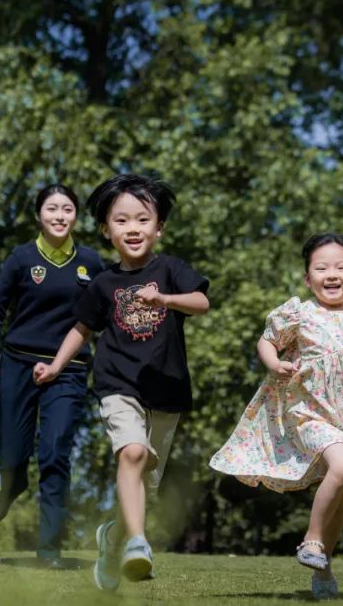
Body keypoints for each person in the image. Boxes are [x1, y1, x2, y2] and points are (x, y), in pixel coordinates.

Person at [34, 173, 210, 592]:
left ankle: (114, 538)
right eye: (122, 221)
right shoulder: (103, 284)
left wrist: (165, 300)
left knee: (144, 485)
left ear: (159, 227)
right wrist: (57, 366)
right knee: (131, 453)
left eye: (143, 220)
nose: (133, 228)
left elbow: (202, 302)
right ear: (106, 230)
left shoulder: (171, 270)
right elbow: (82, 329)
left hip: (167, 391)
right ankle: (135, 541)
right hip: (117, 384)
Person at [209, 233, 343, 599]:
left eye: (340, 267)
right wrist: (274, 362)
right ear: (307, 277)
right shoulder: (300, 312)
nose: (331, 274)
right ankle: (311, 542)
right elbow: (267, 340)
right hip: (310, 411)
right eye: (321, 268)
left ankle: (324, 567)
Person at [0, 184, 105, 569]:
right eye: (52, 209)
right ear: (39, 215)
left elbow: (107, 313)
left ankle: (49, 548)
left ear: (76, 217)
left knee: (55, 453)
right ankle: (12, 483)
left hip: (68, 370)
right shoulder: (21, 259)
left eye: (68, 209)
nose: (60, 215)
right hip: (16, 364)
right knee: (14, 452)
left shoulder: (91, 263)